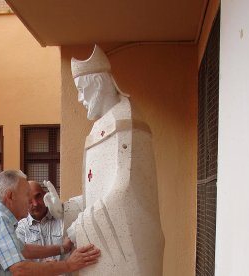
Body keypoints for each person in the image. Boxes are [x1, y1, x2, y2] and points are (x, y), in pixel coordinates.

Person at [44, 45, 165, 275]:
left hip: (129, 253)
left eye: (81, 89)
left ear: (98, 84)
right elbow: (99, 194)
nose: (79, 99)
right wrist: (65, 209)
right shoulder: (99, 127)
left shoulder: (126, 121)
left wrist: (80, 226)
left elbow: (125, 190)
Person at [0, 170, 100, 275]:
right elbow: (20, 268)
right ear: (10, 196)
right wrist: (69, 265)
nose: (31, 202)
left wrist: (63, 248)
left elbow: (24, 250)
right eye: (26, 194)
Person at [16, 181, 68, 262]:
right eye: (29, 200)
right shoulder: (21, 228)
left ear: (45, 195)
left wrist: (64, 210)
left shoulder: (61, 216)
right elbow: (19, 258)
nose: (35, 204)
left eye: (38, 196)